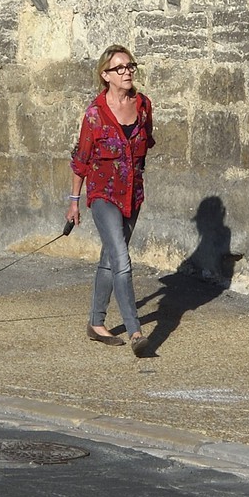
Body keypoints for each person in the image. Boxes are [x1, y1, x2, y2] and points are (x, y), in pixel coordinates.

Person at [68, 43, 154, 354]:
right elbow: (81, 160)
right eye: (120, 67)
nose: (127, 71)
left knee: (109, 259)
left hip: (133, 194)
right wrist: (74, 201)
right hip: (103, 195)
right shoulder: (95, 114)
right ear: (106, 74)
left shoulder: (143, 106)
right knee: (121, 259)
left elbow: (147, 145)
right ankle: (135, 332)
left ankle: (96, 322)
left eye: (130, 66)